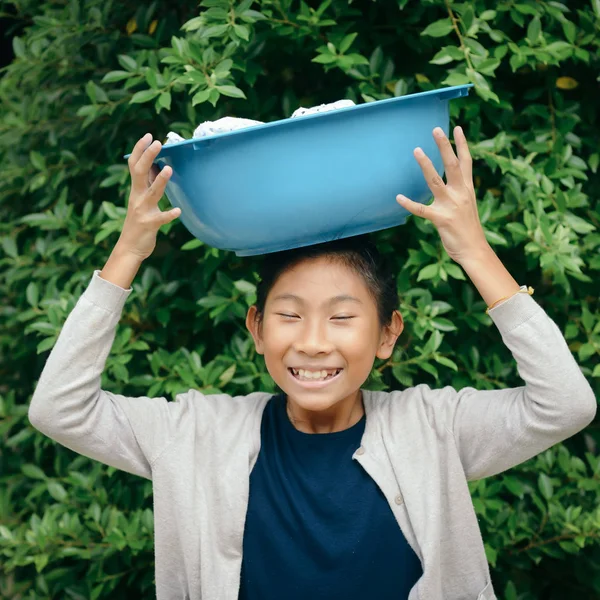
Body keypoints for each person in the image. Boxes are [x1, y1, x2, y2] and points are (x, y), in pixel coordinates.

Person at [28, 127, 596, 600]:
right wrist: (127, 253)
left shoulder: (434, 429)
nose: (315, 343)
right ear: (256, 328)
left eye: (343, 318)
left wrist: (474, 250)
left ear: (387, 334)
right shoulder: (195, 434)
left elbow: (565, 404)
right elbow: (60, 410)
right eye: (290, 316)